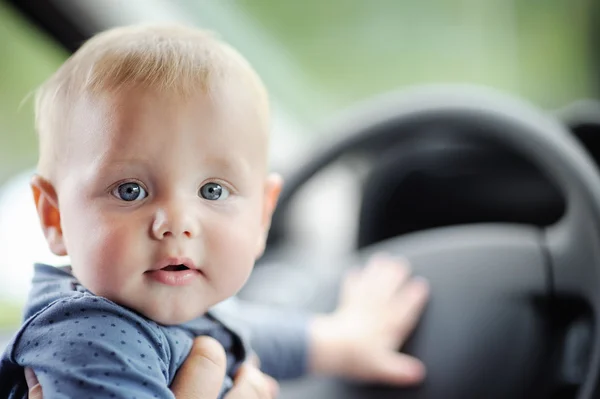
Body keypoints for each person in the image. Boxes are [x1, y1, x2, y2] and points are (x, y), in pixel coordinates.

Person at [0, 24, 429, 398]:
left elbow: (240, 329)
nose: (177, 223)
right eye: (130, 190)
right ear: (55, 219)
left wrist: (339, 342)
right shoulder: (89, 334)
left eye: (213, 190)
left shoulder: (155, 307)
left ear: (262, 215)